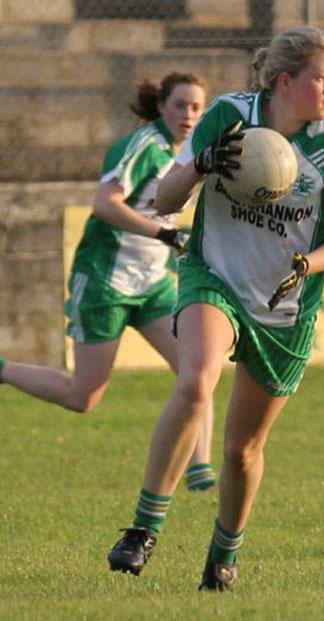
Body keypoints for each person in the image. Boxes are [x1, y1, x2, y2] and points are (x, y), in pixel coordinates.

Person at [107, 25, 324, 588]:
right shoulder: (230, 115)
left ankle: (223, 555)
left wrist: (310, 264)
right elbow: (166, 200)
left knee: (241, 449)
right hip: (214, 275)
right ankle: (143, 528)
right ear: (285, 81)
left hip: (284, 306)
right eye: (321, 79)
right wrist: (201, 164)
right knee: (196, 380)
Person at [0, 72, 216, 492]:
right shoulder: (143, 146)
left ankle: (199, 466)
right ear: (161, 107)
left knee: (198, 370)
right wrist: (166, 234)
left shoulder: (189, 156)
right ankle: (3, 370)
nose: (188, 115)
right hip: (105, 280)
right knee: (83, 397)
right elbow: (105, 205)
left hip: (154, 283)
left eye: (196, 107)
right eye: (180, 105)